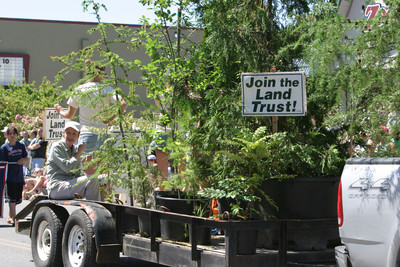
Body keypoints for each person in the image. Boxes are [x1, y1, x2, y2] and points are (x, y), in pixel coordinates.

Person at [54, 59, 127, 175]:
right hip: (103, 134)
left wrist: (60, 111)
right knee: (103, 174)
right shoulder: (107, 89)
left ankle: (89, 193)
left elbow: (69, 115)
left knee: (88, 175)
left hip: (86, 133)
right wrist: (110, 118)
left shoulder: (80, 89)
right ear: (102, 73)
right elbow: (123, 104)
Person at [46, 121, 101, 200]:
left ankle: (98, 207)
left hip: (69, 185)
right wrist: (78, 153)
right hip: (57, 187)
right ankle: (95, 209)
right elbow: (67, 168)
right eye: (68, 133)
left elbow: (77, 172)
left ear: (78, 136)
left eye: (74, 134)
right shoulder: (57, 147)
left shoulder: (75, 149)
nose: (70, 136)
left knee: (96, 180)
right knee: (91, 180)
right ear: (63, 134)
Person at [0, 126, 28, 225]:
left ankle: (9, 216)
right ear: (7, 135)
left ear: (17, 135)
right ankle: (15, 218)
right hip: (9, 176)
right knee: (11, 198)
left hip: (19, 175)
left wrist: (23, 160)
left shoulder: (20, 145)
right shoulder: (4, 148)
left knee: (17, 199)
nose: (12, 136)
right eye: (10, 134)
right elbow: (2, 163)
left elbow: (25, 157)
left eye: (14, 134)